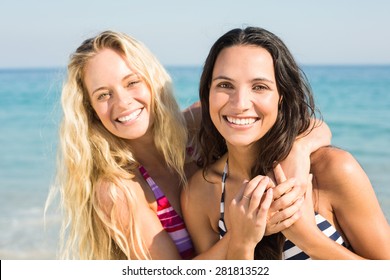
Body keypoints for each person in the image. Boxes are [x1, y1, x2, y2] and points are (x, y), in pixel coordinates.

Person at [46, 30, 331, 260]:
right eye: (103, 95)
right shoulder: (119, 190)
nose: (122, 103)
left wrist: (298, 152)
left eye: (132, 82)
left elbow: (308, 125)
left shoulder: (195, 124)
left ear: (152, 80)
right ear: (90, 110)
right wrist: (242, 236)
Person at [181, 26, 390, 260]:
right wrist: (241, 240)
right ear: (208, 92)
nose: (240, 103)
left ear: (281, 96)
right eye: (225, 85)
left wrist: (308, 238)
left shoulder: (332, 169)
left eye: (259, 87)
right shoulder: (201, 192)